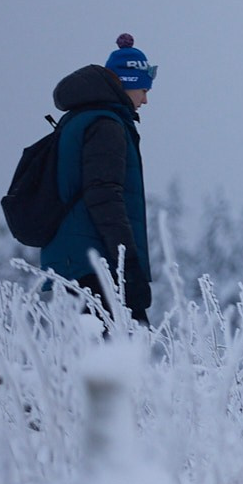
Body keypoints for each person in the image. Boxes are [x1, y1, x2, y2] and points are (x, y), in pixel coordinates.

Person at [40, 35, 157, 325]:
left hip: (78, 261)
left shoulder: (82, 119)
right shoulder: (106, 125)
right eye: (144, 90)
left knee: (93, 347)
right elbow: (104, 196)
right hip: (95, 265)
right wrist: (128, 265)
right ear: (128, 82)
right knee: (123, 347)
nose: (145, 100)